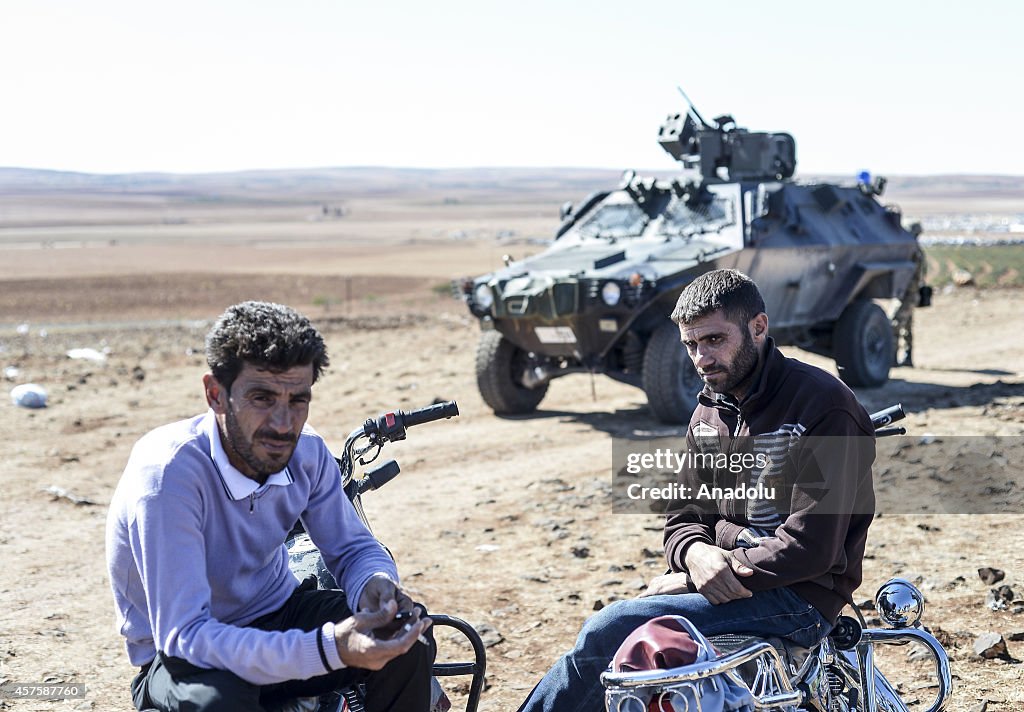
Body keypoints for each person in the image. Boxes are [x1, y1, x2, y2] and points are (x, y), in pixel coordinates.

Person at [518, 269, 876, 712]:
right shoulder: (711, 408)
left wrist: (699, 572)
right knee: (631, 650)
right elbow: (684, 517)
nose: (701, 359)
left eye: (714, 340)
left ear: (758, 328)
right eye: (691, 345)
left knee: (609, 630)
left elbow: (811, 548)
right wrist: (694, 554)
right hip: (738, 581)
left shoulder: (824, 406)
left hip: (800, 598)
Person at [106, 301, 435, 712]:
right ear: (216, 395)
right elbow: (186, 634)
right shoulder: (167, 476)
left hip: (276, 613)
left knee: (407, 640)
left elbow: (352, 548)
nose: (283, 424)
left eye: (298, 400)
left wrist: (374, 585)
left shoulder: (306, 451)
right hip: (183, 656)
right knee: (218, 703)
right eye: (262, 397)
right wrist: (332, 648)